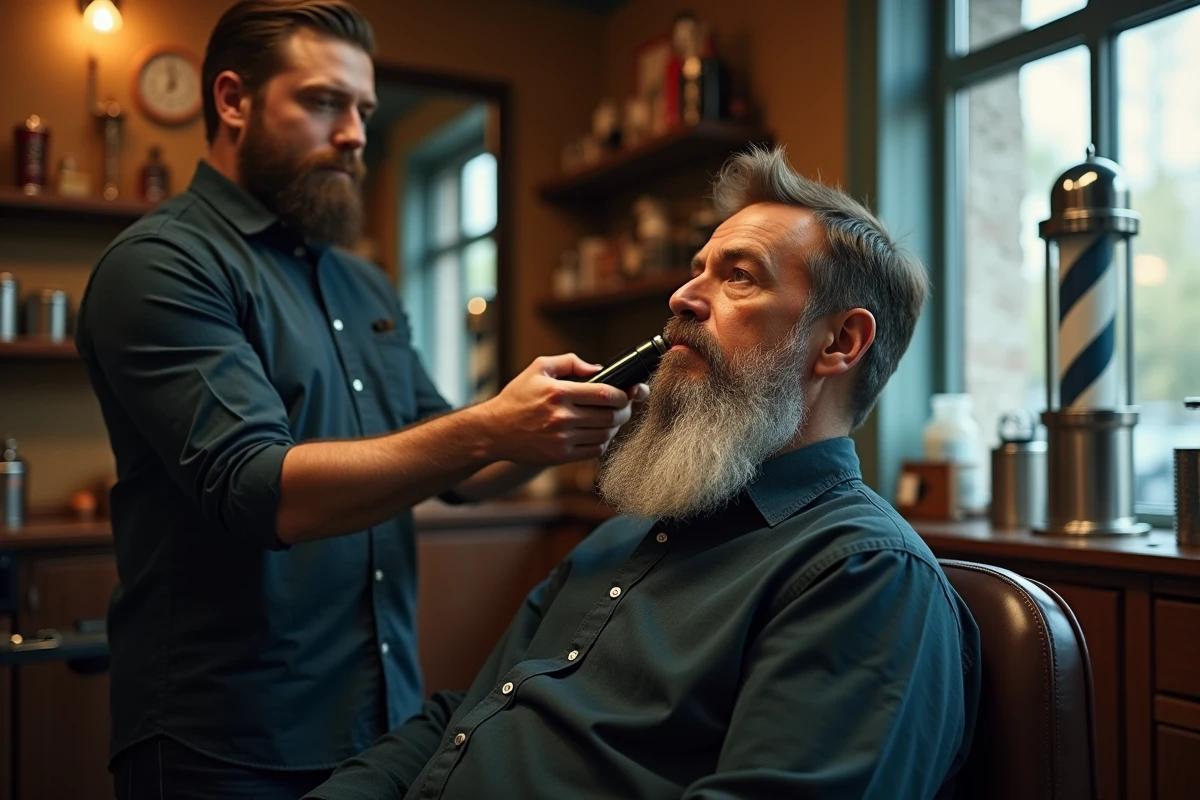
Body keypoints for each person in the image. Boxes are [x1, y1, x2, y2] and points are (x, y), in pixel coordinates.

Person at [74, 2, 642, 798]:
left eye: (365, 111)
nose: (355, 134)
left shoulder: (361, 281)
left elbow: (460, 471)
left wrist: (563, 428)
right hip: (227, 738)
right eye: (323, 103)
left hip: (383, 717)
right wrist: (488, 427)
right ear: (233, 101)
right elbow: (259, 491)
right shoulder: (165, 266)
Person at [305, 145, 982, 800]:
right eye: (697, 270)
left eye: (738, 275)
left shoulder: (863, 576)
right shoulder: (628, 532)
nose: (684, 295)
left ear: (840, 342)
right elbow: (468, 713)